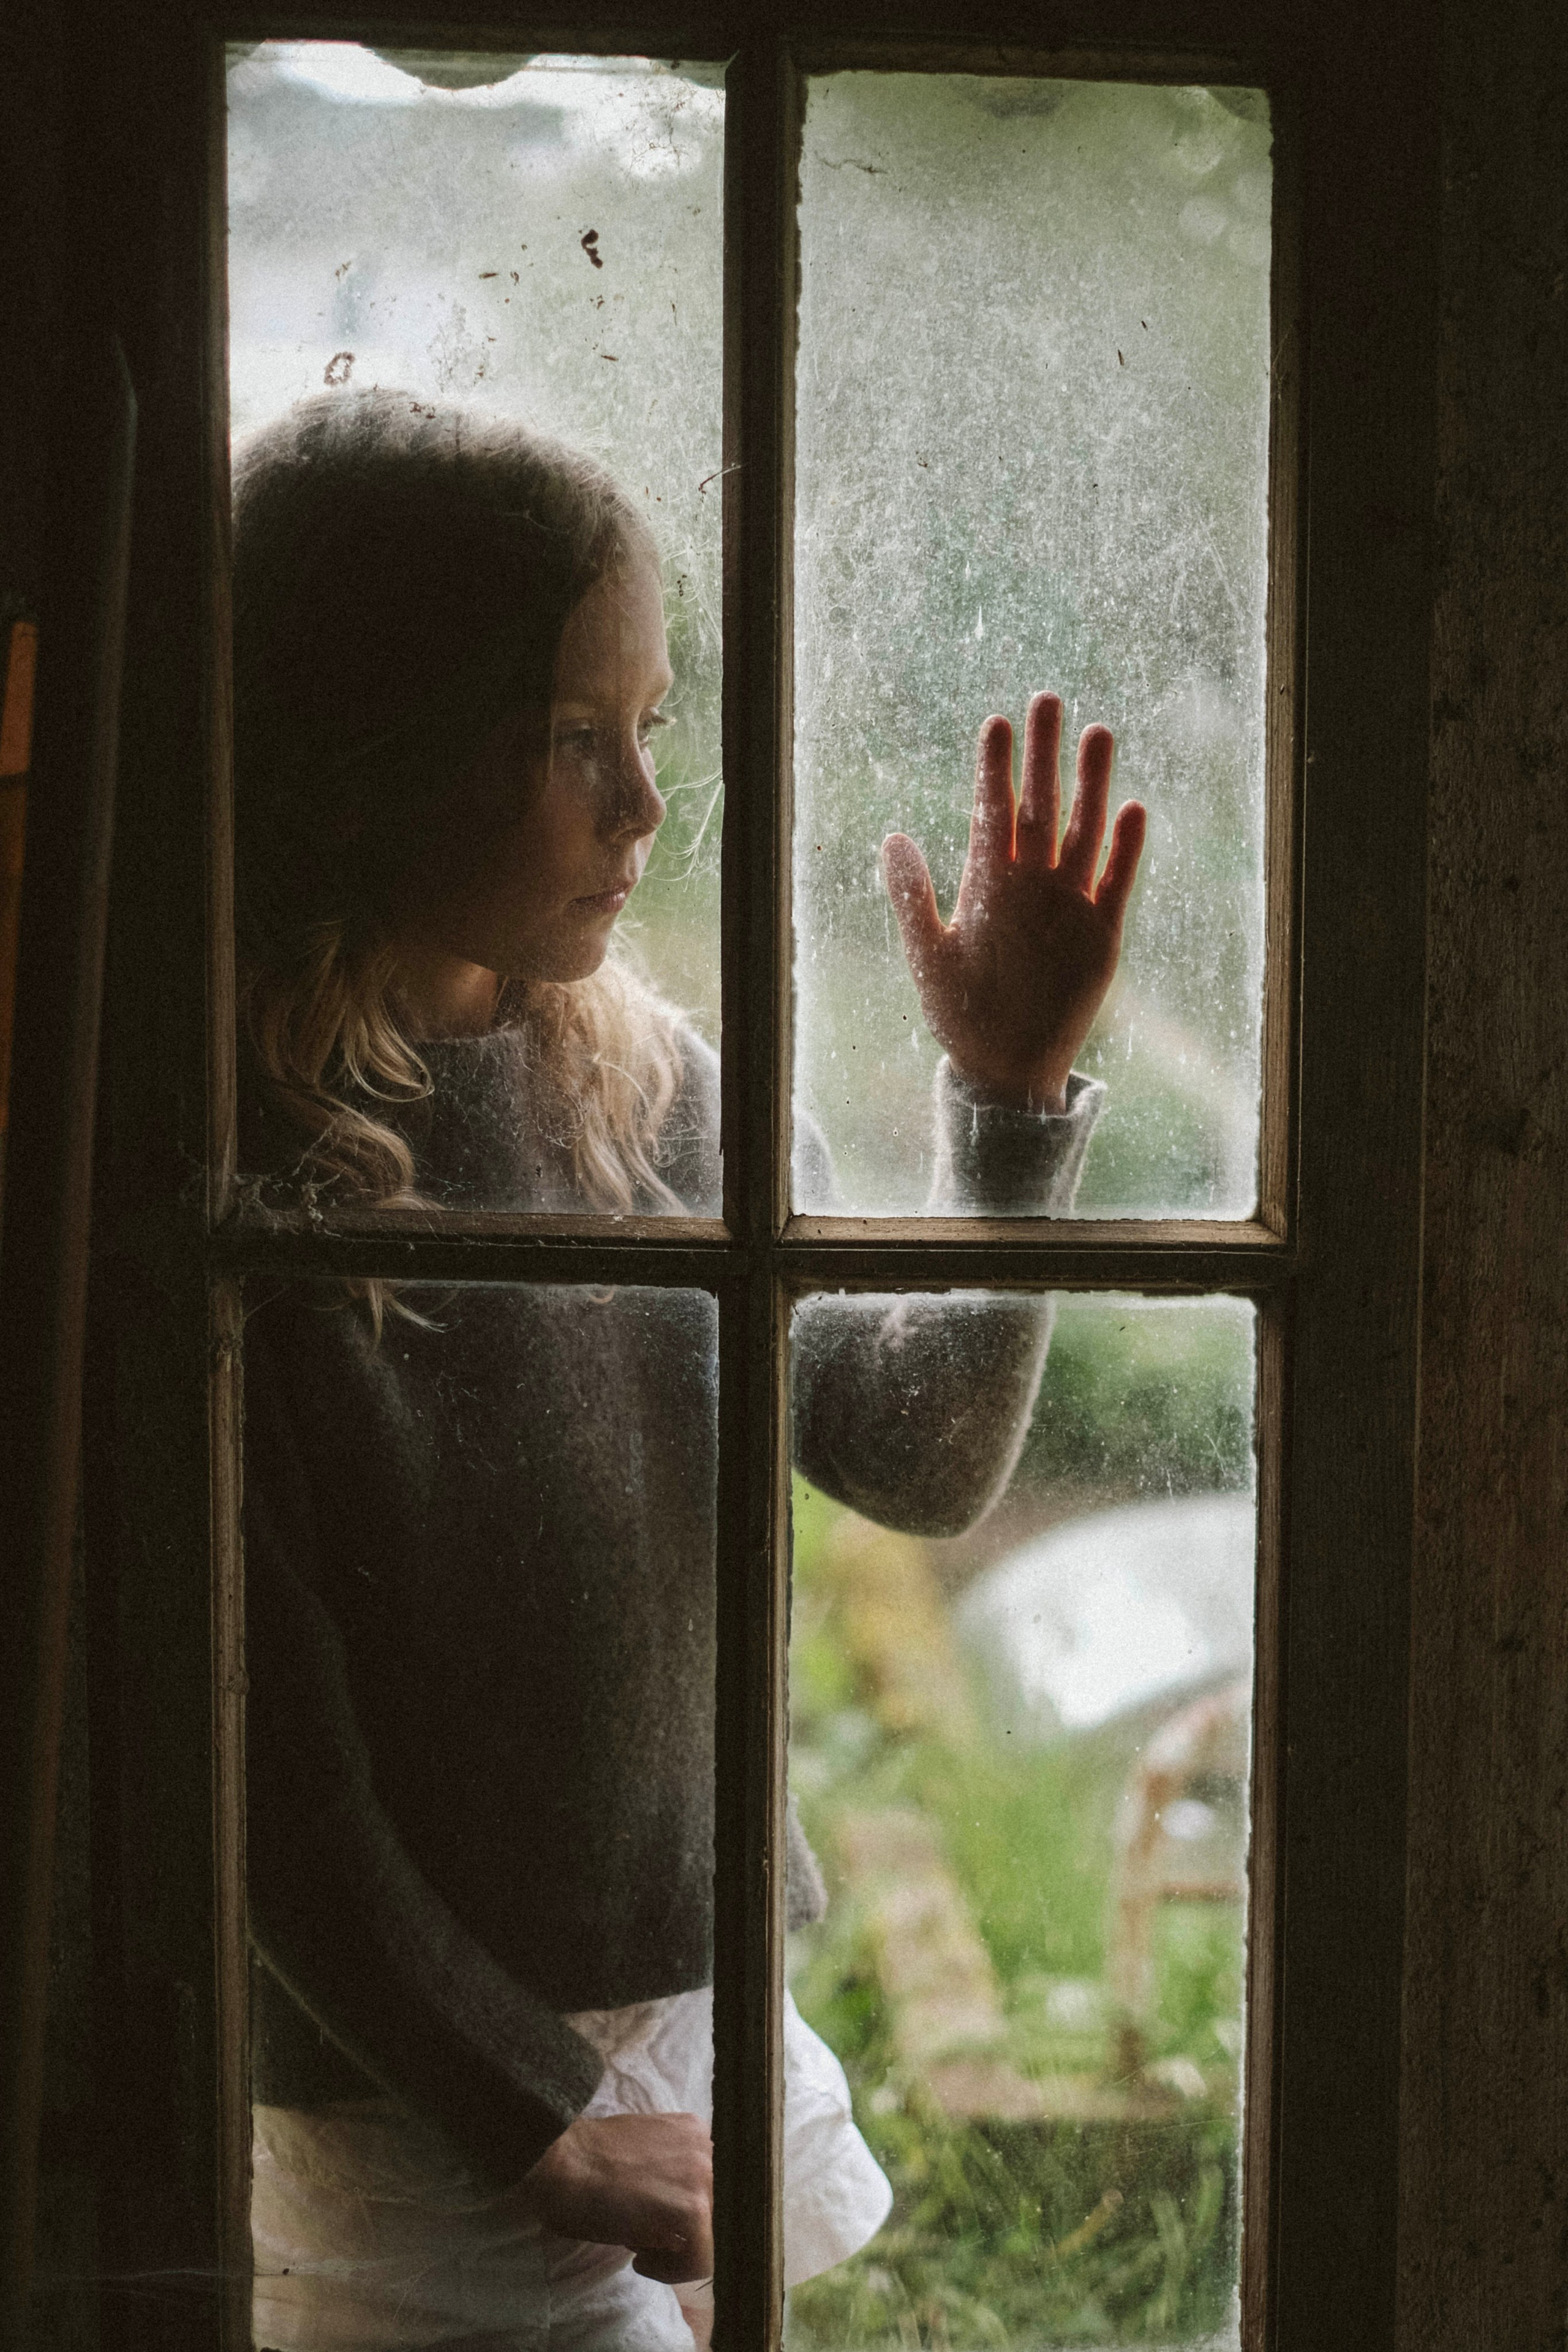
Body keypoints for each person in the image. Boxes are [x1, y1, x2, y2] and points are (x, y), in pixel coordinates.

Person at [235, 389, 1145, 2352]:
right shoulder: (247, 1187)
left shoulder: (654, 1092)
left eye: (649, 728)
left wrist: (1006, 1106)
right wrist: (531, 2120)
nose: (647, 809)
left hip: (689, 2018)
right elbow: (270, 1779)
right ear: (371, 756)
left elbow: (915, 1454)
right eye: (577, 742)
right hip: (415, 2110)